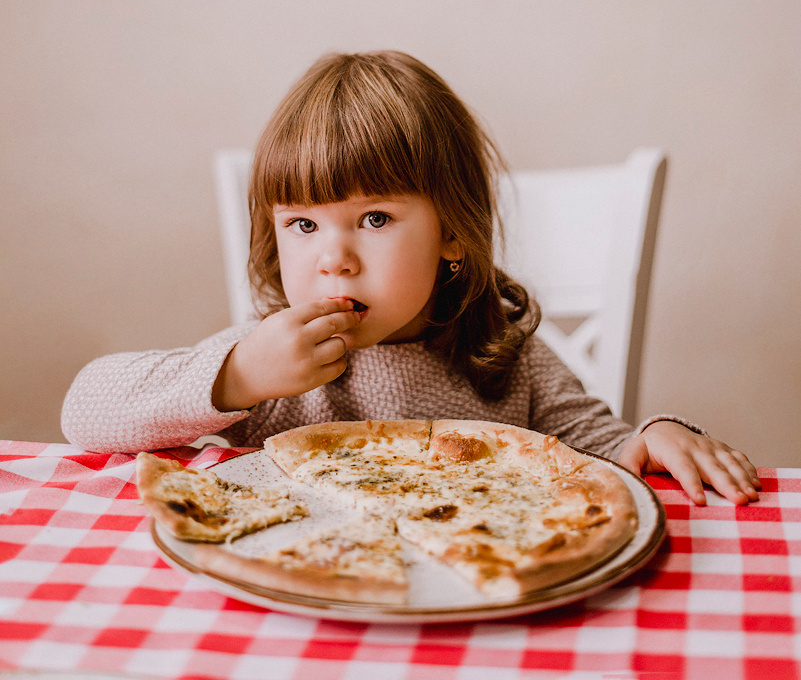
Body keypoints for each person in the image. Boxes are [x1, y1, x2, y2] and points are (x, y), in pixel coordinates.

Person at [62, 50, 760, 506]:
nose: (332, 257)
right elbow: (84, 413)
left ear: (452, 230)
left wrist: (658, 432)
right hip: (311, 603)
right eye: (302, 225)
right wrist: (237, 376)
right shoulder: (271, 366)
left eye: (372, 219)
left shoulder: (505, 356)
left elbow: (604, 448)